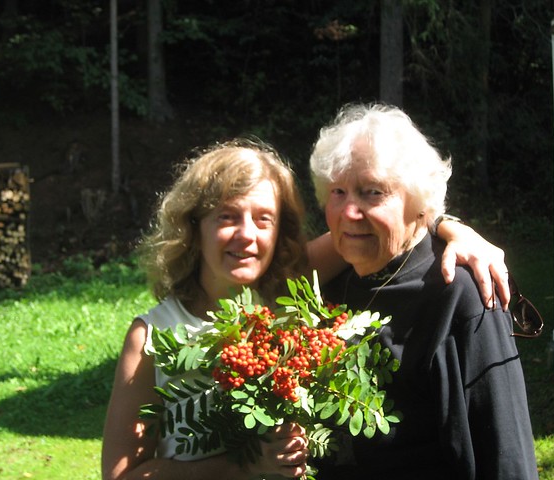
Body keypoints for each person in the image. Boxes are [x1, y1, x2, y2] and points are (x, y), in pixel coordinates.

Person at [101, 138, 512, 480]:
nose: (246, 235)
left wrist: (452, 227)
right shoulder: (153, 336)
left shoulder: (289, 292)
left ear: (281, 232)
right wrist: (240, 467)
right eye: (227, 217)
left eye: (264, 219)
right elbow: (121, 476)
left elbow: (376, 224)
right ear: (193, 227)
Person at [310, 104, 538, 479]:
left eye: (372, 193)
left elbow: (506, 451)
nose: (349, 211)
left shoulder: (459, 292)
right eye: (338, 191)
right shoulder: (327, 285)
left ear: (418, 205)